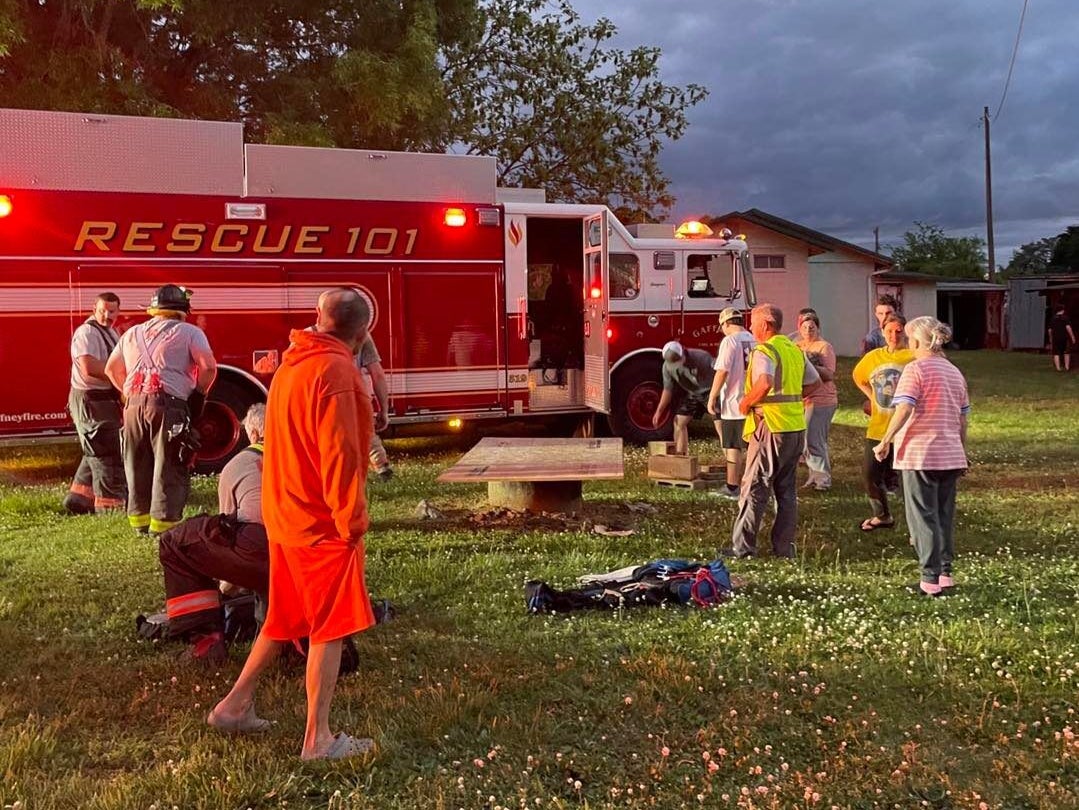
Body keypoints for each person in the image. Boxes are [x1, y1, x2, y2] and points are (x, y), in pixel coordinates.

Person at [209, 288, 377, 760]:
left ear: (319, 319)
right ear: (363, 332)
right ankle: (317, 739)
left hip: (284, 516)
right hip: (321, 522)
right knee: (330, 625)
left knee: (286, 616)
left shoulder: (292, 363)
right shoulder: (337, 371)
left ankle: (234, 705)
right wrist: (352, 521)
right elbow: (341, 456)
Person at [156, 404, 269, 663]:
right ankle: (294, 643)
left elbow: (228, 536)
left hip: (262, 550)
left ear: (252, 432)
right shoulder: (304, 458)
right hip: (308, 556)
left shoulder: (239, 465)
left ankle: (206, 642)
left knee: (178, 543)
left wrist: (222, 594)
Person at [105, 285, 217, 536]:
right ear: (182, 309)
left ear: (154, 309)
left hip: (133, 407)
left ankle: (139, 523)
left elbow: (111, 369)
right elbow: (208, 367)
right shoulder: (190, 332)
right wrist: (197, 395)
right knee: (169, 462)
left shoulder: (132, 333)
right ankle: (165, 526)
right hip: (169, 405)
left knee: (136, 463)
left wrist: (128, 392)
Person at [873, 316, 970, 597]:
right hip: (950, 453)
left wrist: (885, 440)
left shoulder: (915, 370)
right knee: (943, 515)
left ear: (917, 341)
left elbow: (903, 409)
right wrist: (961, 450)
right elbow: (963, 419)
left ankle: (929, 578)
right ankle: (945, 572)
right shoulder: (954, 372)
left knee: (923, 517)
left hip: (920, 454)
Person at [727, 304, 820, 559]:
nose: (751, 328)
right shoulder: (793, 349)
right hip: (794, 427)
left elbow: (765, 382)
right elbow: (815, 382)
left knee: (755, 486)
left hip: (771, 426)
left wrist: (746, 403)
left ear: (766, 325)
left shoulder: (765, 350)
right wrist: (792, 401)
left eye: (754, 323)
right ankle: (783, 549)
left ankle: (742, 548)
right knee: (786, 490)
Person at [63, 292, 127, 515]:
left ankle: (78, 499)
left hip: (101, 399)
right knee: (105, 451)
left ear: (118, 312)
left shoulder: (110, 332)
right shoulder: (87, 332)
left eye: (112, 311)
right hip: (90, 398)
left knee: (95, 448)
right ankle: (110, 507)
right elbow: (88, 367)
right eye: (103, 310)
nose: (107, 315)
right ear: (94, 309)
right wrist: (122, 377)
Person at [852, 314, 914, 531]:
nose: (894, 335)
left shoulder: (913, 357)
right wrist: (872, 397)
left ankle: (915, 523)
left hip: (906, 428)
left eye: (898, 331)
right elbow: (858, 377)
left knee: (906, 480)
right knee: (870, 474)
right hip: (878, 427)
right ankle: (882, 515)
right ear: (882, 332)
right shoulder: (873, 357)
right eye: (889, 331)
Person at [707, 307, 757, 499]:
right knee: (753, 447)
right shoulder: (755, 338)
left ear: (726, 324)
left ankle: (733, 486)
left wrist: (712, 397)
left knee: (732, 447)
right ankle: (754, 483)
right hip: (755, 402)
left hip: (734, 403)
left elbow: (722, 371)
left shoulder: (729, 341)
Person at [795, 311, 838, 491]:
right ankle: (814, 476)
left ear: (818, 328)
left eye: (812, 327)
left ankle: (823, 480)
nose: (808, 330)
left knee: (814, 439)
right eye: (805, 327)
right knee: (805, 440)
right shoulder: (796, 346)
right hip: (803, 399)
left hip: (822, 399)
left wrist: (809, 364)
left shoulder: (824, 347)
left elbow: (829, 374)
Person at [652, 340, 716, 456]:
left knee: (720, 424)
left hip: (711, 391)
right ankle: (681, 457)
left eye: (678, 360)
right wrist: (659, 412)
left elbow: (721, 374)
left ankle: (730, 461)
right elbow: (667, 390)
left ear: (684, 352)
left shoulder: (702, 357)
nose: (678, 364)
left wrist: (717, 395)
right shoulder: (667, 367)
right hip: (693, 393)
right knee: (678, 422)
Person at [1047, 306, 1075, 372]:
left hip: (1056, 338)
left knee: (1056, 353)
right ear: (1062, 310)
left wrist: (1050, 338)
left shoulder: (1052, 319)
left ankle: (1058, 368)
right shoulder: (1065, 318)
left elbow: (1050, 330)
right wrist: (1072, 337)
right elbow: (1068, 328)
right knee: (1066, 352)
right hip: (1064, 337)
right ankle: (1067, 367)